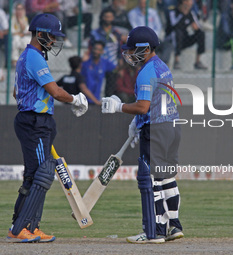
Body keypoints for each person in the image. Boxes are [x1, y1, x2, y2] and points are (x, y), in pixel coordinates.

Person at [7, 13, 88, 243]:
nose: (53, 41)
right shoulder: (33, 57)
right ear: (40, 34)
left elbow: (16, 92)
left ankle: (25, 226)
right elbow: (55, 91)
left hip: (34, 120)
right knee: (40, 175)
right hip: (35, 122)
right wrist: (75, 99)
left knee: (35, 175)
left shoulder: (29, 57)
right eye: (51, 37)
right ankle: (22, 228)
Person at [101, 26, 184, 244]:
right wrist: (137, 122)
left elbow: (143, 106)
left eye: (132, 50)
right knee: (167, 177)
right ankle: (173, 226)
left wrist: (119, 108)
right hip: (172, 126)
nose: (128, 54)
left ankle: (154, 231)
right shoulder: (162, 66)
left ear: (145, 49)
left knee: (151, 180)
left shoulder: (146, 72)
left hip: (156, 129)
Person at [165, 0, 207, 70]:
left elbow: (197, 26)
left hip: (184, 38)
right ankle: (176, 61)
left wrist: (195, 27)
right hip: (172, 38)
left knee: (201, 34)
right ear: (183, 2)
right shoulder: (173, 11)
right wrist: (183, 15)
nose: (191, 3)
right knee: (178, 32)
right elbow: (174, 25)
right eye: (188, 1)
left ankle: (198, 61)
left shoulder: (191, 13)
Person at [90, 9, 122, 97]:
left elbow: (119, 48)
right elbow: (91, 47)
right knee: (95, 86)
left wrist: (120, 61)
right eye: (106, 17)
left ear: (113, 18)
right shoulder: (95, 33)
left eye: (110, 17)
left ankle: (108, 107)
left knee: (110, 89)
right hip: (98, 63)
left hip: (112, 64)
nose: (108, 19)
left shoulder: (116, 33)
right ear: (102, 18)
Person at [81, 40, 116, 105]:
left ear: (102, 51)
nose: (96, 51)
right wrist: (81, 61)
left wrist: (126, 63)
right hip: (83, 99)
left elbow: (116, 69)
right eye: (95, 49)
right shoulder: (86, 61)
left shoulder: (104, 62)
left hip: (96, 99)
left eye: (99, 50)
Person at [11, 3, 31, 67]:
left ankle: (24, 60)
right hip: (15, 37)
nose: (19, 11)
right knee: (16, 40)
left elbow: (26, 30)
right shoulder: (12, 18)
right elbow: (12, 32)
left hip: (22, 36)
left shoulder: (24, 18)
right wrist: (20, 34)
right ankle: (14, 60)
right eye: (18, 9)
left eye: (21, 9)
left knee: (27, 41)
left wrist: (20, 21)